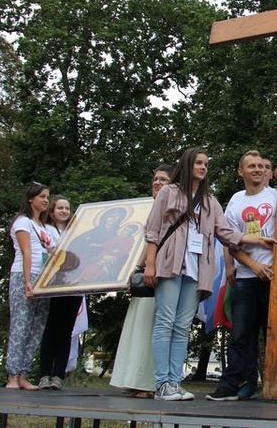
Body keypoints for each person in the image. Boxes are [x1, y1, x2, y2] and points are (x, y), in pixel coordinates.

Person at [146, 148, 277, 401]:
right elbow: (152, 231)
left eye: (206, 163)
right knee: (165, 322)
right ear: (186, 165)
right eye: (198, 163)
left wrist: (257, 240)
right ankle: (162, 383)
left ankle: (174, 382)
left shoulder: (210, 201)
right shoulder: (168, 192)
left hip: (196, 269)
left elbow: (226, 233)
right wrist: (150, 265)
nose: (203, 167)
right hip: (170, 264)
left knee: (183, 326)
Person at [206, 150, 277, 401]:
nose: (258, 169)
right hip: (247, 278)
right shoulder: (236, 201)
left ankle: (276, 384)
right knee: (241, 335)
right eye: (251, 166)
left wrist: (272, 267)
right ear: (241, 172)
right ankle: (232, 385)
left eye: (260, 165)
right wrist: (252, 265)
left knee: (275, 333)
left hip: (276, 277)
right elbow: (230, 241)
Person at [110, 164, 174, 398]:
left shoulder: (170, 209)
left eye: (163, 180)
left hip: (156, 273)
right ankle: (132, 379)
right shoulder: (144, 209)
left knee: (152, 327)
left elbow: (153, 242)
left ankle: (147, 383)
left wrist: (142, 266)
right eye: (155, 179)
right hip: (141, 274)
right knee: (137, 326)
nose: (157, 183)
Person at [5, 183, 53, 390]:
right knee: (20, 324)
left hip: (44, 279)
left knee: (36, 327)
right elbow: (26, 252)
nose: (45, 200)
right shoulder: (22, 222)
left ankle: (24, 373)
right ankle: (12, 376)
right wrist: (27, 282)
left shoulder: (44, 227)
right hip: (24, 276)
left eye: (47, 197)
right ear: (30, 199)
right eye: (41, 196)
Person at [38, 195, 82, 391]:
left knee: (66, 331)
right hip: (52, 285)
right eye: (60, 208)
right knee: (51, 329)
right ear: (53, 212)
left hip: (73, 285)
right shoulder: (45, 230)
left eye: (67, 208)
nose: (64, 211)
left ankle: (58, 376)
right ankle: (44, 374)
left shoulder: (77, 233)